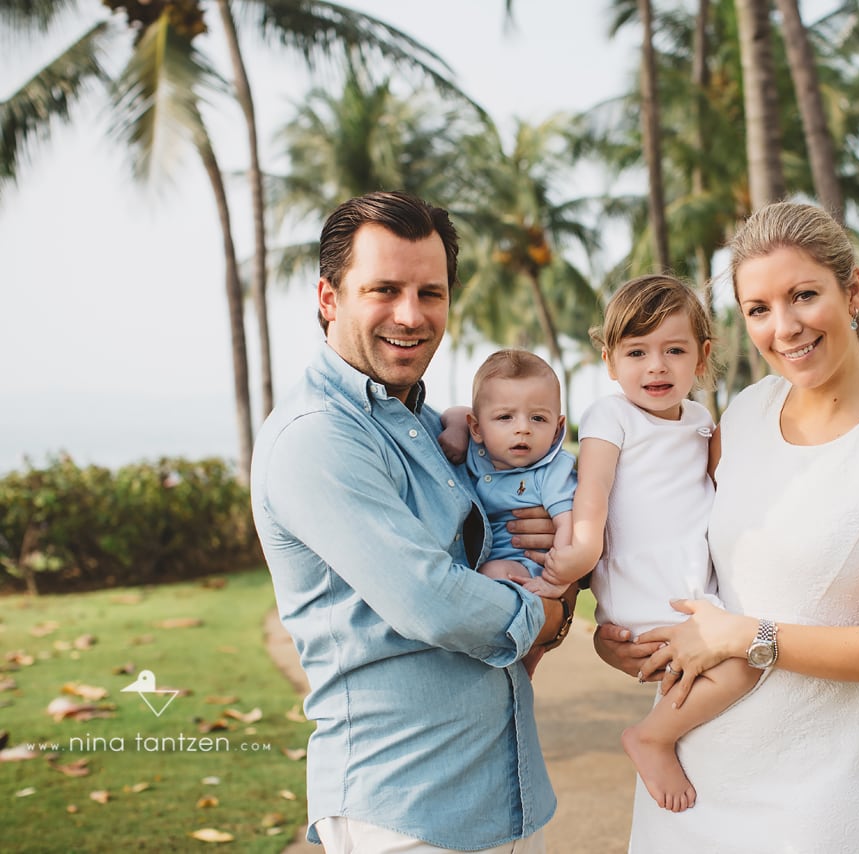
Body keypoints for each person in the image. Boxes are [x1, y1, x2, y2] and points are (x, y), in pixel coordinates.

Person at [594, 203, 859, 853]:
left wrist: (747, 636)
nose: (785, 327)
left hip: (817, 805)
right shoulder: (742, 414)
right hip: (685, 787)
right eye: (759, 309)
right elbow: (667, 538)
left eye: (803, 296)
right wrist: (618, 638)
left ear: (851, 291)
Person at [250, 191, 574, 854]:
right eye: (384, 289)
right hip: (405, 813)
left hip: (505, 796)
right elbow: (436, 601)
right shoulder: (318, 437)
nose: (411, 314)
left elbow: (523, 520)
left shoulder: (432, 431)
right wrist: (553, 614)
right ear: (328, 297)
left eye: (431, 292)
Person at [528, 274, 760, 814]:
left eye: (673, 350)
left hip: (689, 589)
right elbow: (594, 489)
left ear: (701, 358)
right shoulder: (611, 416)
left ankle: (672, 740)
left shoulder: (702, 421)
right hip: (645, 593)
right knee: (745, 660)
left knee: (736, 659)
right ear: (610, 362)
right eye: (637, 351)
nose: (656, 366)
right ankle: (652, 736)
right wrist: (583, 548)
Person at [460, 348, 577, 676]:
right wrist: (453, 430)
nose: (522, 428)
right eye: (505, 417)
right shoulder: (476, 454)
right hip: (489, 559)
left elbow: (567, 523)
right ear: (477, 427)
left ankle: (524, 658)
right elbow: (455, 414)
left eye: (538, 418)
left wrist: (557, 578)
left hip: (526, 566)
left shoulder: (551, 470)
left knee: (493, 576)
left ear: (557, 427)